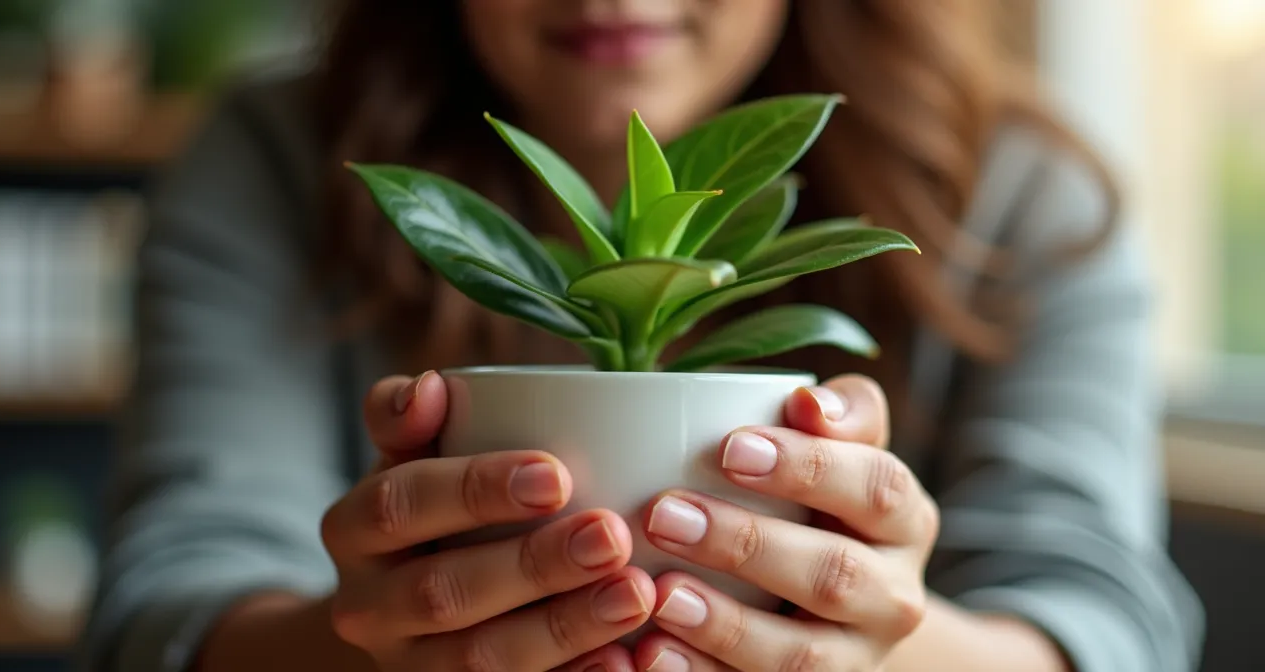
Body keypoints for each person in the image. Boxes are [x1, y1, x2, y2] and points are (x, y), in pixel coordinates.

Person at [80, 1, 1205, 671]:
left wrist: (890, 643)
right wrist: (368, 641)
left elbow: (1100, 616)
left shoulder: (1016, 195)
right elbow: (170, 603)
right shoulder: (281, 160)